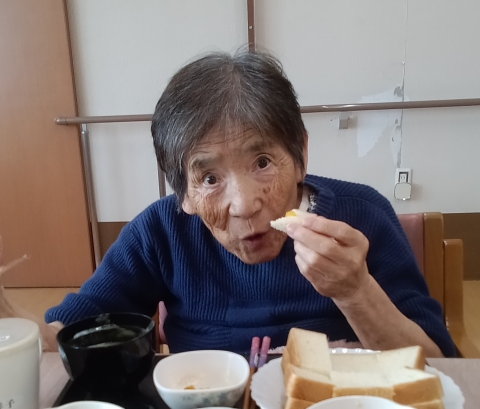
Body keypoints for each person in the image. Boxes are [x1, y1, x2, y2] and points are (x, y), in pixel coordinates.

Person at [3, 51, 455, 357]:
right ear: (183, 193)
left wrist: (356, 291)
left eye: (262, 162)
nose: (244, 205)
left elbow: (437, 362)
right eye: (209, 178)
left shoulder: (362, 215)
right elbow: (63, 339)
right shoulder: (159, 233)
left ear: (300, 153)